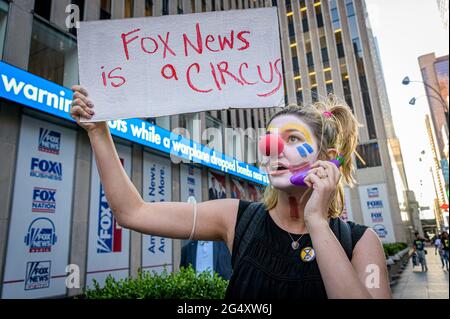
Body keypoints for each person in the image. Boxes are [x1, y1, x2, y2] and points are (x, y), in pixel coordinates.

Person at [70, 86, 391, 299]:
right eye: (270, 141)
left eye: (293, 138)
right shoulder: (237, 219)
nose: (276, 149)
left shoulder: (362, 242)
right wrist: (99, 132)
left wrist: (317, 223)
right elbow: (132, 212)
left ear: (327, 157)